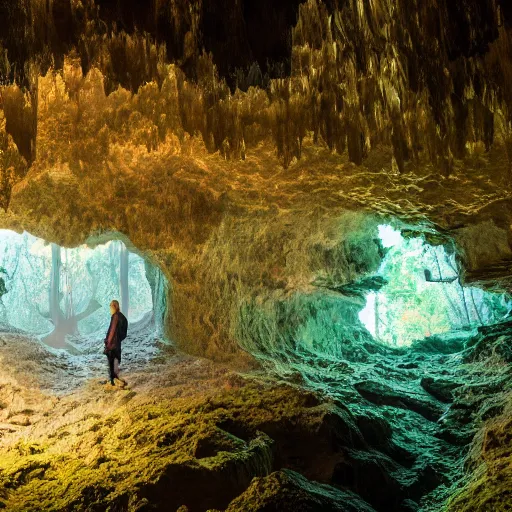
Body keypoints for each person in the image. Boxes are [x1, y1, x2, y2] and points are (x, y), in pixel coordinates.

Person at [104, 299, 127, 386]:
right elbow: (122, 332)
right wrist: (119, 340)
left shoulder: (115, 316)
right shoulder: (121, 316)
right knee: (115, 361)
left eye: (110, 306)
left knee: (111, 362)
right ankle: (115, 379)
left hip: (112, 344)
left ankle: (113, 381)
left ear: (114, 307)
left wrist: (108, 344)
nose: (110, 307)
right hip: (117, 344)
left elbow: (112, 331)